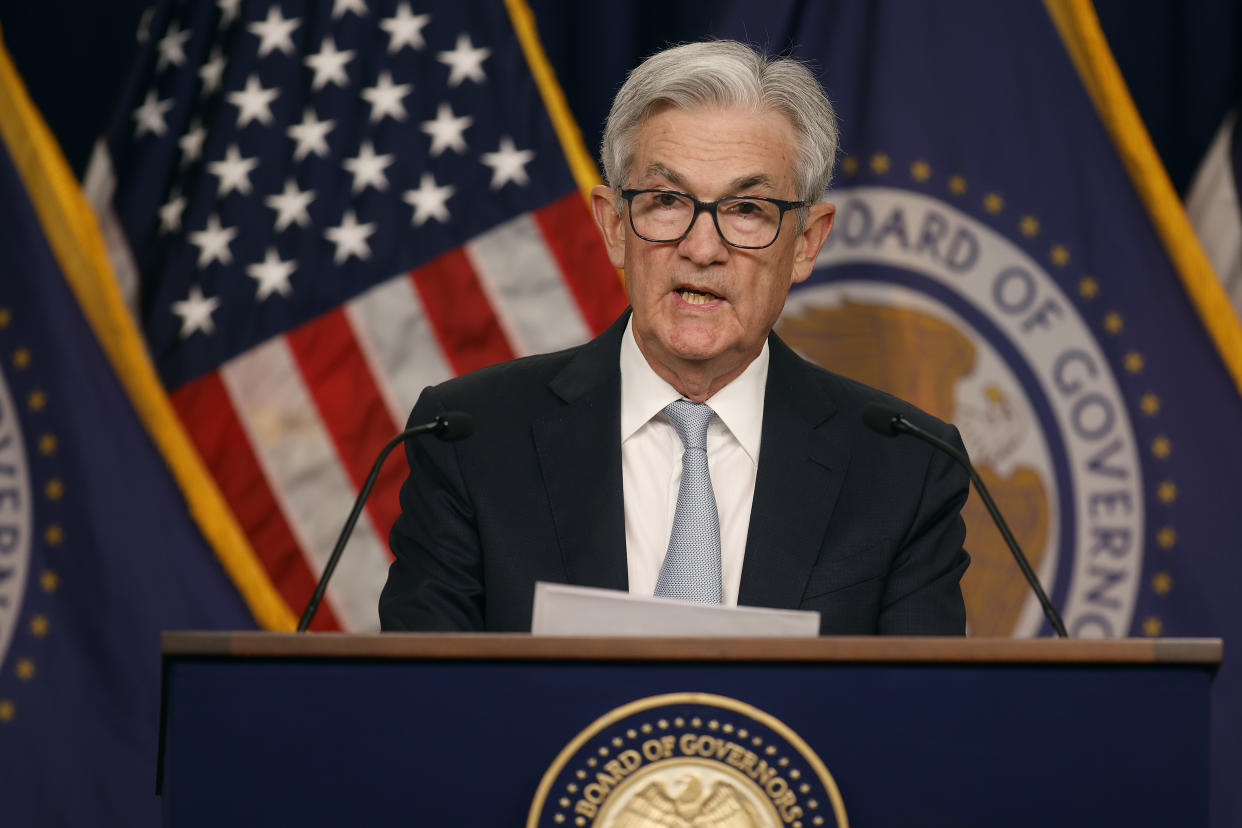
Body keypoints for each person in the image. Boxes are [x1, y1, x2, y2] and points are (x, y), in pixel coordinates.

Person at [379, 40, 970, 634]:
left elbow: (918, 716)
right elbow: (423, 702)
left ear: (807, 242)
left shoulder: (903, 466)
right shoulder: (470, 437)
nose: (702, 248)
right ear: (614, 226)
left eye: (746, 209)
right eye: (667, 201)